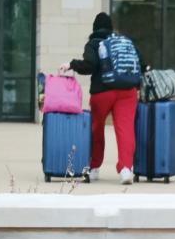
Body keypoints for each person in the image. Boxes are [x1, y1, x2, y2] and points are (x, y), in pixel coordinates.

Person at [60, 12, 141, 185]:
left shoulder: (94, 43)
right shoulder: (123, 42)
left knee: (97, 129)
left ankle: (95, 168)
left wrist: (72, 64)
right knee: (125, 129)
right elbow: (140, 64)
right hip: (127, 92)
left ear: (94, 28)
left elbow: (89, 65)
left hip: (102, 93)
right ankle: (126, 169)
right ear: (111, 27)